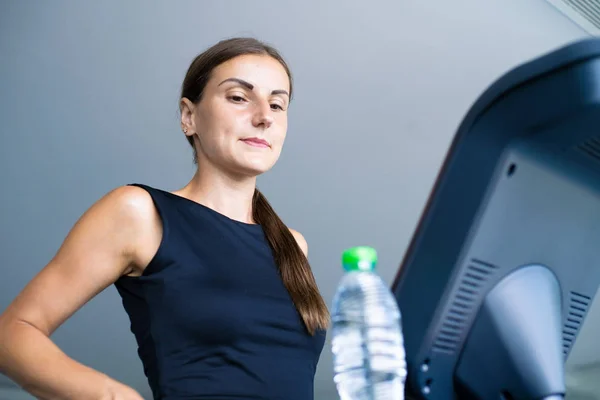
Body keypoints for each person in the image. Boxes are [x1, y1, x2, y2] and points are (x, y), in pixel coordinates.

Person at [0, 37, 329, 400]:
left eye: (278, 104)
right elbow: (12, 333)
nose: (264, 116)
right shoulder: (139, 213)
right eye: (238, 97)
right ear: (189, 116)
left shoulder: (291, 244)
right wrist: (112, 395)